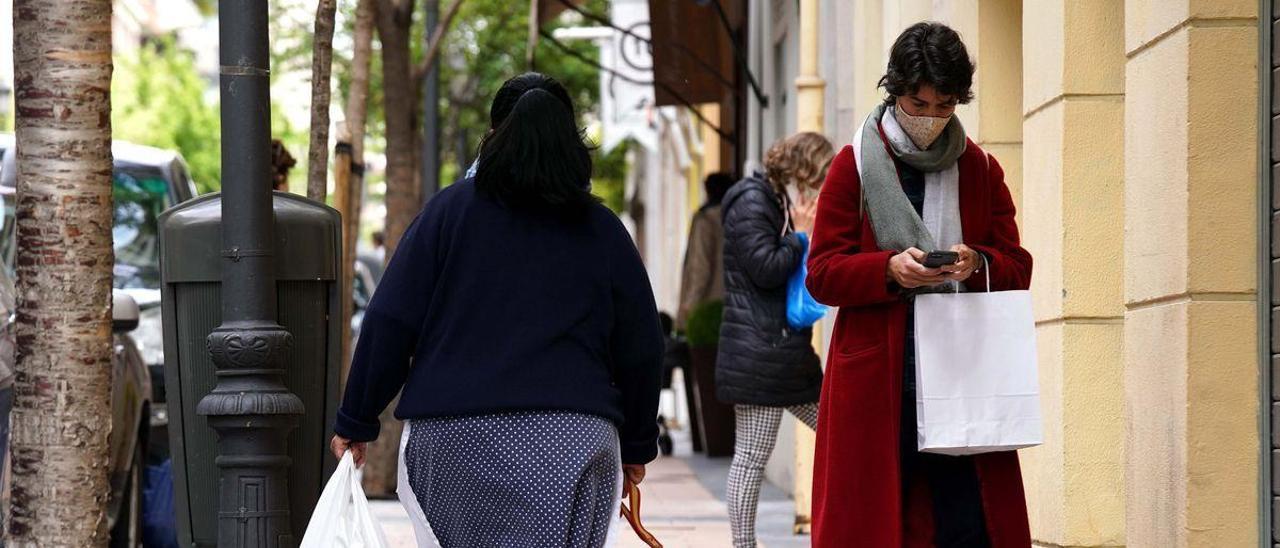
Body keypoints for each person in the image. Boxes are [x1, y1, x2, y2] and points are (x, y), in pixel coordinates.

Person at [330, 72, 664, 548]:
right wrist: (636, 444)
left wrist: (355, 419)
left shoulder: (447, 213)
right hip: (574, 440)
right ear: (572, 143)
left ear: (493, 137)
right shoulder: (602, 229)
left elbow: (390, 320)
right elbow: (641, 344)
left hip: (452, 441)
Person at [806, 22, 1033, 547]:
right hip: (880, 378)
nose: (930, 117)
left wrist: (976, 262)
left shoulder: (979, 167)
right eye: (918, 103)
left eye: (945, 105)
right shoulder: (855, 164)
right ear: (895, 92)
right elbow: (821, 272)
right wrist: (888, 270)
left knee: (966, 524)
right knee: (877, 523)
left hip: (961, 375)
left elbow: (1016, 265)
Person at [718, 132, 832, 548]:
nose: (821, 187)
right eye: (819, 176)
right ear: (801, 170)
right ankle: (743, 544)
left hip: (784, 353)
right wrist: (800, 235)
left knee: (842, 430)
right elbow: (765, 268)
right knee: (751, 457)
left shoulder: (779, 201)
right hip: (759, 354)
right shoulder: (752, 202)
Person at [676, 172, 735, 330]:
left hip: (706, 309)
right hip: (731, 305)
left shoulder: (705, 220)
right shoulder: (737, 216)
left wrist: (688, 305)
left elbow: (700, 267)